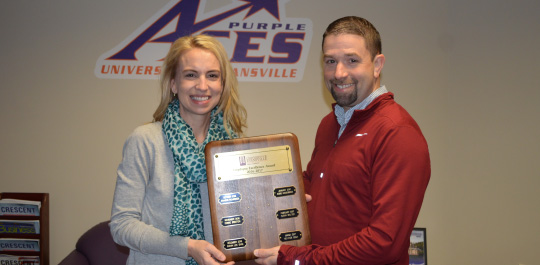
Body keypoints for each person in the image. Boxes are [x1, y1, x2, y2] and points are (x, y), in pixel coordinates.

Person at [254, 16, 430, 265]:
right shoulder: (330, 124)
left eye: (352, 60)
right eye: (330, 61)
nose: (339, 73)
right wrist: (259, 190)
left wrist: (299, 260)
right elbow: (317, 185)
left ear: (377, 65)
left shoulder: (397, 133)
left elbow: (384, 242)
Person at [110, 34, 247, 265]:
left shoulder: (232, 146)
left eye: (212, 76)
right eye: (190, 75)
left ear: (222, 85)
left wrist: (277, 201)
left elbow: (240, 218)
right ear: (173, 83)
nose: (202, 86)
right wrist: (188, 247)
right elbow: (122, 225)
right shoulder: (145, 141)